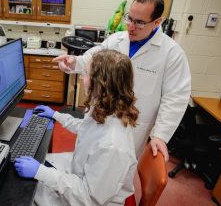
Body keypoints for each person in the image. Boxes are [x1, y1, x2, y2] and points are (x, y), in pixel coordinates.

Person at [52, 0, 191, 160]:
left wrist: (160, 135)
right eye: (130, 18)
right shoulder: (116, 39)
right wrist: (74, 61)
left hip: (131, 127)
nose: (130, 27)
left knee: (116, 174)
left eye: (139, 22)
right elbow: (92, 59)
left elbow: (175, 97)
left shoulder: (172, 53)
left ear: (157, 22)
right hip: (101, 114)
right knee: (85, 161)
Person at [14, 50, 139, 206]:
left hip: (87, 199)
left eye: (86, 73)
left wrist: (40, 172)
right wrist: (55, 115)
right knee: (37, 161)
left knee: (19, 192)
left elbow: (89, 198)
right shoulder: (107, 108)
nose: (81, 77)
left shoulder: (112, 146)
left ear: (101, 84)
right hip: (81, 171)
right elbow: (86, 128)